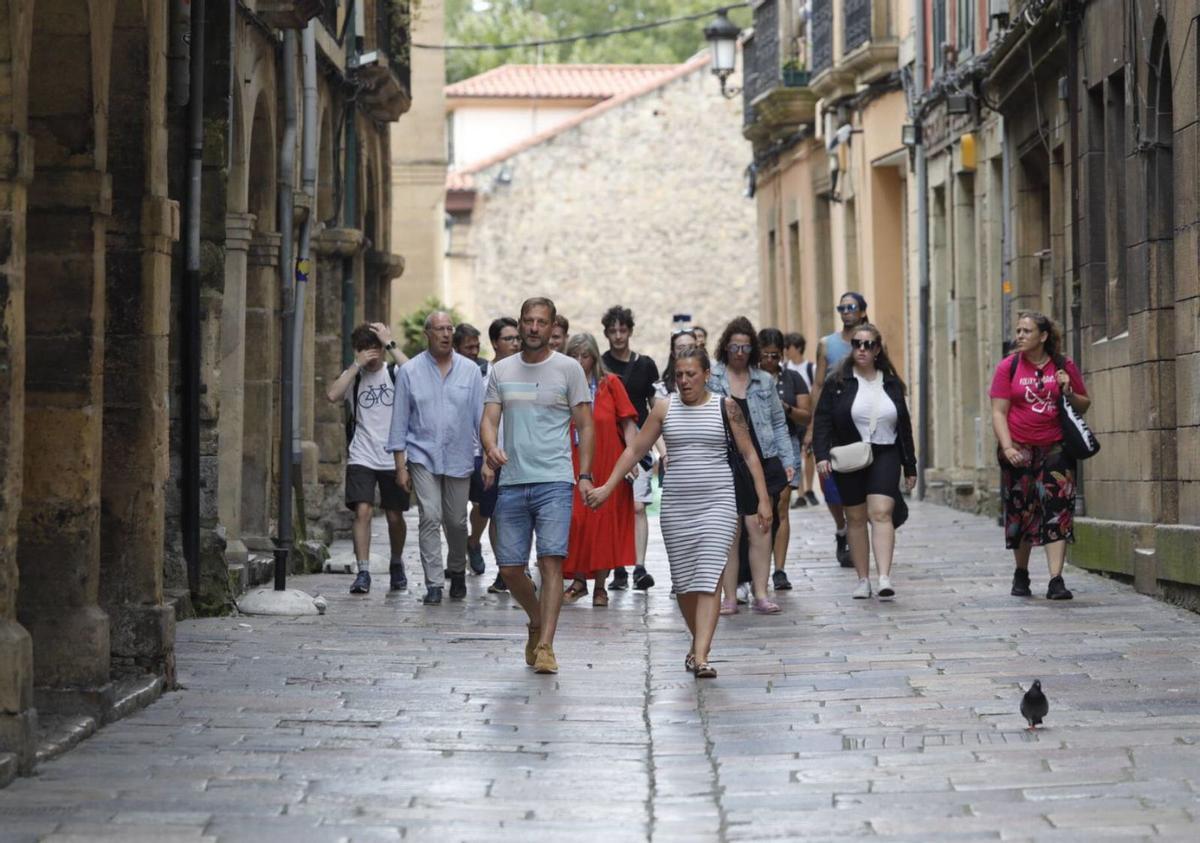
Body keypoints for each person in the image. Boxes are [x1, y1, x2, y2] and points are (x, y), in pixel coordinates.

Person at [587, 347, 770, 679]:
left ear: (707, 375)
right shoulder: (663, 409)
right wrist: (608, 486)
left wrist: (763, 500)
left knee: (709, 580)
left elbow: (749, 454)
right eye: (680, 375)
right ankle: (696, 645)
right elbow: (635, 450)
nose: (685, 381)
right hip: (677, 506)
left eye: (692, 374)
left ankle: (701, 655)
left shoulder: (725, 407)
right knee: (685, 585)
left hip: (719, 502)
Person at [481, 297, 594, 674]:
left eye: (541, 322)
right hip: (512, 479)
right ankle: (534, 618)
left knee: (550, 562)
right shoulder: (502, 370)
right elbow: (489, 418)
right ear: (520, 324)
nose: (533, 328)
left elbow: (586, 424)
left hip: (555, 481)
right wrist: (491, 446)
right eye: (527, 321)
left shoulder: (568, 369)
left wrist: (585, 474)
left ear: (551, 327)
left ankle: (546, 644)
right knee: (510, 567)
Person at [989, 311, 1090, 600]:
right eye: (1018, 330)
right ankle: (1021, 573)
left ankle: (1056, 579)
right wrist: (1007, 447)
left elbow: (1084, 404)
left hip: (1056, 448)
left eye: (1026, 331)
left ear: (1043, 336)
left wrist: (1067, 390)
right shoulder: (1008, 368)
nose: (1019, 335)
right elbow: (999, 411)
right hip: (1019, 448)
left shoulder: (1063, 366)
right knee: (1021, 511)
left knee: (1058, 510)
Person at [813, 323, 917, 600]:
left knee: (881, 511)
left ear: (877, 349)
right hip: (851, 454)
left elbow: (904, 426)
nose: (861, 349)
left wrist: (910, 465)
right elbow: (822, 420)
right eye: (857, 343)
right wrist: (822, 456)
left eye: (868, 344)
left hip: (886, 453)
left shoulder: (892, 383)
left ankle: (884, 576)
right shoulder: (838, 382)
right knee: (856, 517)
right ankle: (863, 579)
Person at [388, 312, 485, 605]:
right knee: (429, 516)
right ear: (427, 334)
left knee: (456, 521)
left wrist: (488, 456)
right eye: (439, 329)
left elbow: (481, 418)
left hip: (459, 455)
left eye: (449, 329)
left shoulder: (470, 371)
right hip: (421, 455)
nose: (445, 334)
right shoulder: (409, 371)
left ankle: (456, 569)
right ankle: (433, 583)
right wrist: (400, 465)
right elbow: (399, 420)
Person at [709, 317, 796, 615]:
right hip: (726, 460)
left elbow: (778, 423)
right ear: (725, 347)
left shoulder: (764, 381)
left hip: (763, 456)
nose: (740, 352)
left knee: (760, 525)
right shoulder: (713, 378)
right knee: (730, 530)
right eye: (734, 346)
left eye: (746, 347)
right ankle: (730, 597)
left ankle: (760, 592)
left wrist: (788, 461)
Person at [325, 322, 409, 594]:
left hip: (394, 455)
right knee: (362, 510)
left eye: (377, 350)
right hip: (362, 453)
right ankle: (363, 571)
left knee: (395, 516)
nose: (373, 357)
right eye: (367, 351)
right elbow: (332, 394)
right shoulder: (355, 377)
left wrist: (391, 344)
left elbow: (418, 376)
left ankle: (396, 562)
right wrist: (355, 364)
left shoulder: (395, 373)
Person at [562, 333, 639, 607]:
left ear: (594, 357)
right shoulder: (563, 385)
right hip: (573, 461)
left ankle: (600, 586)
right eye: (574, 356)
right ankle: (580, 580)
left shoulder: (611, 384)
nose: (580, 361)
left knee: (603, 522)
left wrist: (632, 460)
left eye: (585, 356)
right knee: (577, 520)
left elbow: (628, 423)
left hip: (608, 461)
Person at [804, 293, 871, 567]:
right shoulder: (826, 344)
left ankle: (859, 531)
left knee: (864, 480)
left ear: (863, 311)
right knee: (830, 483)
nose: (845, 312)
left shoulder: (871, 342)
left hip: (864, 421)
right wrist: (812, 424)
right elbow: (818, 385)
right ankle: (842, 528)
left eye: (851, 307)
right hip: (832, 421)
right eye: (841, 308)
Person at [601, 305, 660, 592]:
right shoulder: (601, 366)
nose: (618, 336)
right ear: (606, 334)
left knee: (638, 507)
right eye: (612, 331)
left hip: (641, 444)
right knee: (613, 508)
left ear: (630, 331)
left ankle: (638, 566)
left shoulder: (646, 365)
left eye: (622, 330)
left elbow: (653, 407)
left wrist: (662, 447)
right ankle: (617, 568)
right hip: (609, 445)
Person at [759, 328, 811, 591]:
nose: (770, 360)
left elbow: (806, 415)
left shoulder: (792, 379)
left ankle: (779, 569)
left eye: (775, 355)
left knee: (781, 506)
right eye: (765, 354)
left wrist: (786, 408)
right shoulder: (751, 378)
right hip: (757, 447)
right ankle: (757, 568)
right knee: (759, 506)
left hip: (786, 444)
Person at [470, 317, 520, 590]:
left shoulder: (524, 372)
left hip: (518, 457)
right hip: (489, 454)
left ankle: (506, 571)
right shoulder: (481, 376)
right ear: (494, 343)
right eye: (508, 339)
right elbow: (478, 416)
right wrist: (483, 455)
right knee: (488, 511)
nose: (515, 344)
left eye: (517, 339)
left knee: (508, 515)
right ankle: (473, 541)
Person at [784, 332, 819, 508]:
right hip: (792, 419)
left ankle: (810, 489)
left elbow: (814, 395)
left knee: (809, 453)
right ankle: (800, 492)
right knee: (796, 455)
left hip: (807, 417)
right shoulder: (784, 367)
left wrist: (812, 424)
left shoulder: (810, 368)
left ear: (797, 347)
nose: (786, 351)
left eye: (788, 347)